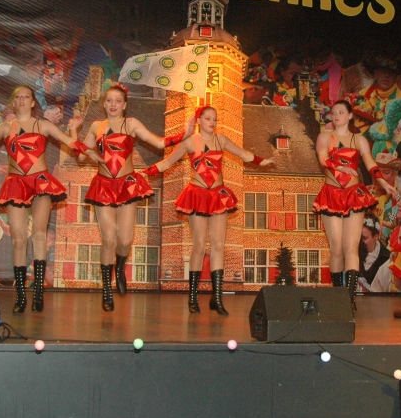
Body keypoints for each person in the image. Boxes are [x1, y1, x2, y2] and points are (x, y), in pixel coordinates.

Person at [143, 106, 274, 315]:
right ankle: (193, 297)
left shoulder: (221, 140)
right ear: (199, 120)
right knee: (199, 245)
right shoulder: (189, 142)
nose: (212, 122)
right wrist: (145, 172)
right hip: (197, 195)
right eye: (207, 118)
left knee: (218, 245)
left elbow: (243, 154)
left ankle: (217, 297)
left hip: (218, 195)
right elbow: (167, 163)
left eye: (214, 119)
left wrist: (262, 161)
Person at [0, 85, 86, 313]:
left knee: (39, 234)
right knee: (18, 238)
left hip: (40, 181)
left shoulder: (43, 125)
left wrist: (75, 131)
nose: (22, 100)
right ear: (14, 102)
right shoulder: (6, 127)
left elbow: (72, 144)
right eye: (18, 97)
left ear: (33, 102)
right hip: (16, 183)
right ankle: (21, 294)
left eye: (26, 97)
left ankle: (39, 292)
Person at [75, 83, 187, 311]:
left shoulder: (131, 124)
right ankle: (107, 291)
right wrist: (77, 137)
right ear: (104, 104)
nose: (113, 104)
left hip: (126, 185)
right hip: (104, 185)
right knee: (108, 239)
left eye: (118, 101)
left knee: (125, 240)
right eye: (109, 100)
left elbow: (158, 142)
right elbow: (80, 157)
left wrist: (184, 133)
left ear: (124, 105)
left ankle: (120, 266)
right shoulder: (97, 126)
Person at [313, 99, 396, 308]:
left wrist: (384, 182)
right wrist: (339, 168)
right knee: (337, 248)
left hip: (354, 194)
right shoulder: (325, 136)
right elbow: (322, 158)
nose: (337, 115)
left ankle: (349, 298)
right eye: (334, 112)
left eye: (341, 112)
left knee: (351, 247)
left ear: (350, 115)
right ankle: (337, 296)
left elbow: (370, 163)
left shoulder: (359, 140)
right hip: (332, 194)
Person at [358, 217, 389, 291]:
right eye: (358, 237)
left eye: (364, 238)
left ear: (376, 236)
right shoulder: (352, 254)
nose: (360, 241)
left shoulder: (386, 257)